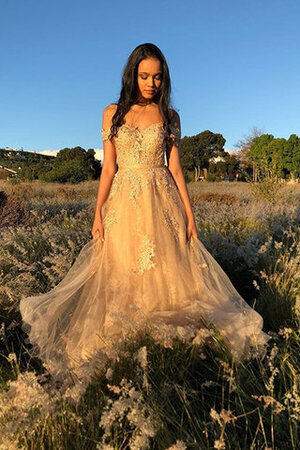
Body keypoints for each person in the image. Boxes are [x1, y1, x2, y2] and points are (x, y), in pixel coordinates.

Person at [19, 43, 270, 385]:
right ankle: (125, 350)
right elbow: (109, 168)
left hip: (162, 200)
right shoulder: (112, 113)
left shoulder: (170, 116)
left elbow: (177, 171)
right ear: (132, 75)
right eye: (144, 76)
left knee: (168, 276)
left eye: (157, 77)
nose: (151, 83)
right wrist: (97, 214)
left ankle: (164, 354)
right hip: (123, 202)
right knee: (120, 273)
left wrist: (190, 215)